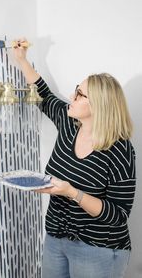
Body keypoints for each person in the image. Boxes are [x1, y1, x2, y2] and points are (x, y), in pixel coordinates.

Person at [12, 39, 136, 278]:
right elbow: (45, 96)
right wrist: (22, 60)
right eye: (76, 89)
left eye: (79, 94)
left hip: (98, 248)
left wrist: (72, 192)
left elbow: (118, 215)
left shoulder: (120, 150)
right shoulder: (69, 124)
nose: (72, 95)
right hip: (56, 240)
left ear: (99, 106)